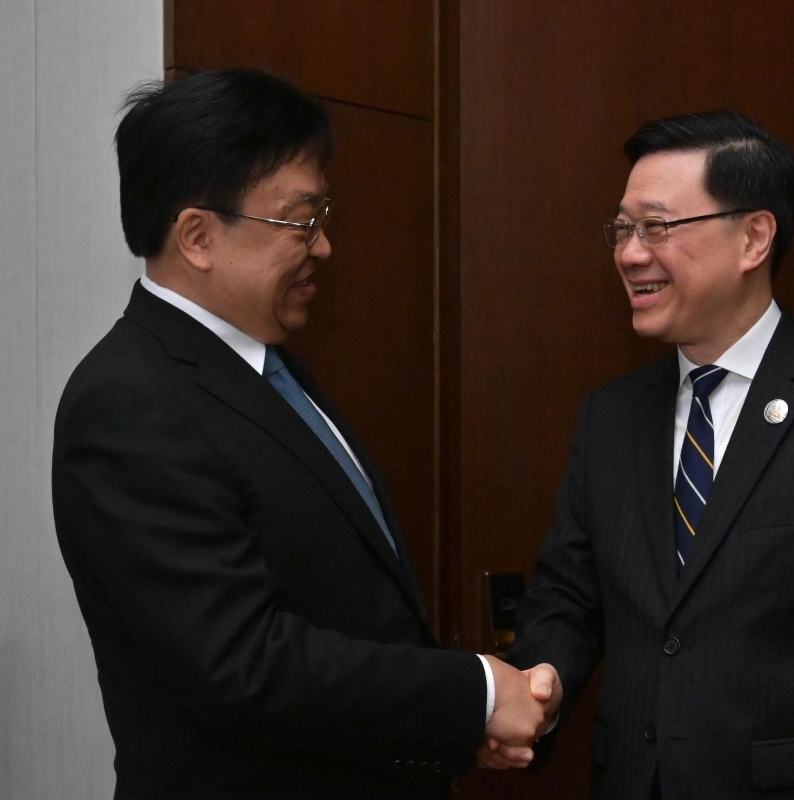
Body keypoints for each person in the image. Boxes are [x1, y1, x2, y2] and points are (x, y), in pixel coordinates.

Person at [51, 69, 557, 800]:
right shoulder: (128, 400)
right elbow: (243, 665)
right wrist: (474, 693)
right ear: (198, 236)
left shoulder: (268, 366)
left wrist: (448, 721)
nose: (323, 247)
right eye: (300, 221)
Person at [490, 111, 794, 797]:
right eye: (622, 229)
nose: (629, 254)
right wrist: (539, 686)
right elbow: (569, 595)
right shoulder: (610, 417)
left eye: (656, 227)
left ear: (753, 238)